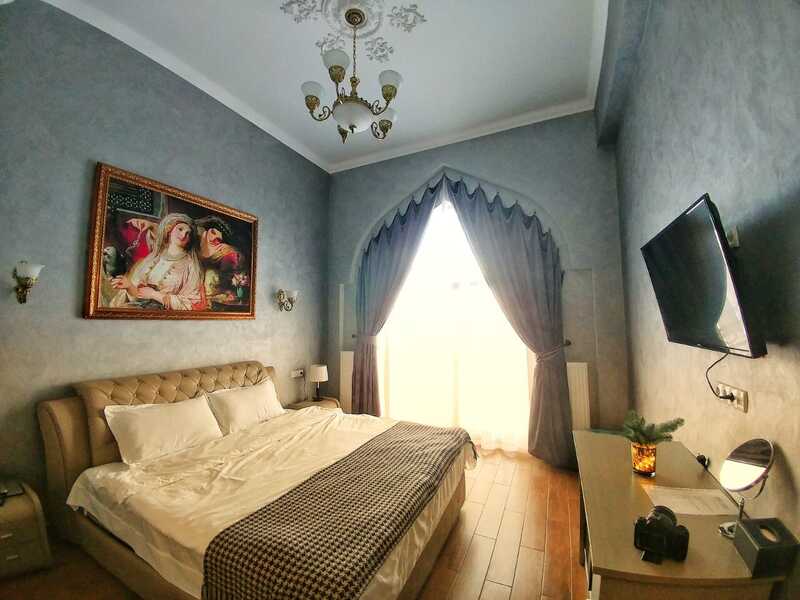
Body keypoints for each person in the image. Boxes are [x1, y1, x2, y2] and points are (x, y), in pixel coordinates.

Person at [108, 213, 206, 310]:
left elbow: (192, 303)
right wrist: (129, 286)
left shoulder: (191, 265)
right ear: (169, 230)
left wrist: (154, 295)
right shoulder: (153, 258)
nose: (184, 235)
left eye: (188, 233)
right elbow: (139, 295)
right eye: (180, 229)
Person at [195, 215, 246, 304]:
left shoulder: (227, 252)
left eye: (218, 240)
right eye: (213, 232)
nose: (214, 239)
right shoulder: (197, 240)